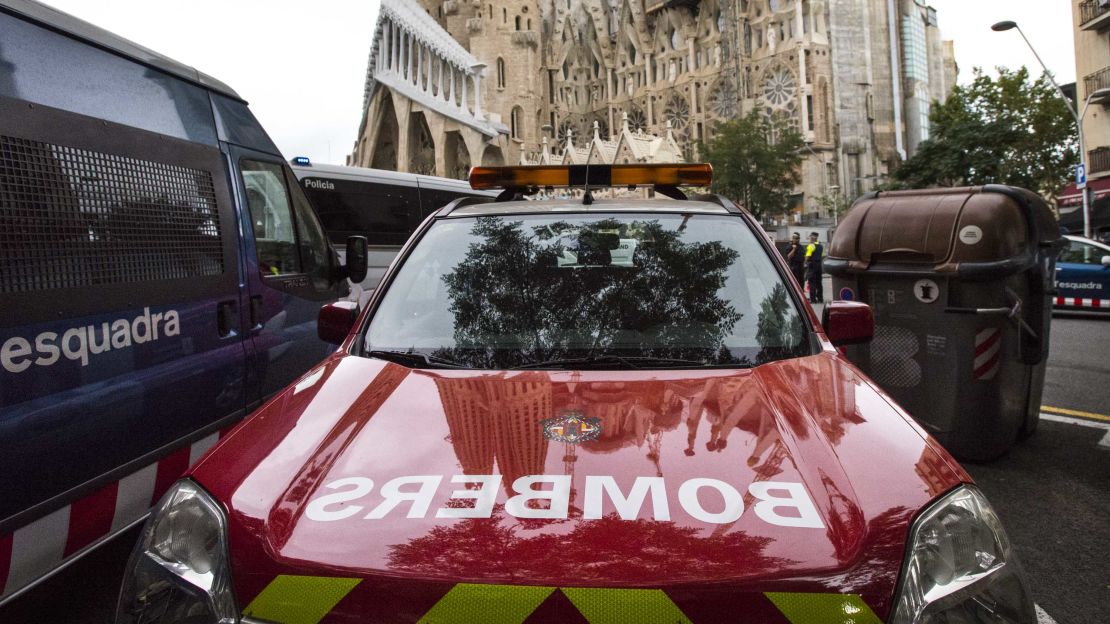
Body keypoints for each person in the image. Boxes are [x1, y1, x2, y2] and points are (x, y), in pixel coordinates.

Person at [805, 231, 824, 303]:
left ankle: (813, 299)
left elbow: (807, 256)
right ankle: (820, 298)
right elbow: (822, 256)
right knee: (819, 283)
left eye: (811, 236)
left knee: (812, 282)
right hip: (819, 266)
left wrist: (806, 263)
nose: (810, 238)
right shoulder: (820, 246)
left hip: (812, 266)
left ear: (813, 237)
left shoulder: (811, 246)